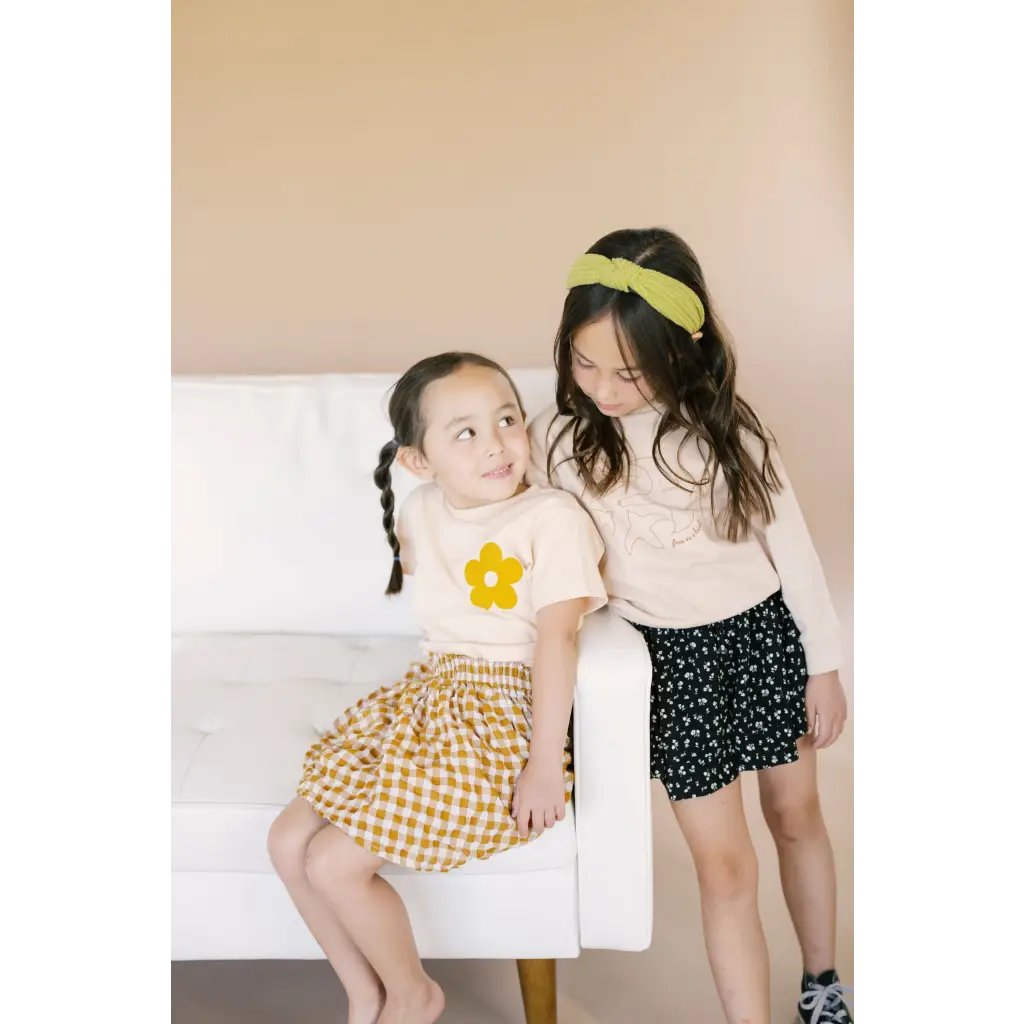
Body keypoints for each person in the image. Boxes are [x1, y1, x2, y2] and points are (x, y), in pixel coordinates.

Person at [529, 228, 854, 1024]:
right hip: (671, 668)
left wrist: (824, 664)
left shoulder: (729, 436)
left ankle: (822, 980)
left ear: (679, 350)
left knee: (795, 817)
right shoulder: (559, 441)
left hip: (761, 641)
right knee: (725, 866)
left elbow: (796, 553)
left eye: (629, 371)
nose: (603, 387)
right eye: (584, 362)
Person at [267, 351, 607, 1024]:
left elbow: (559, 640)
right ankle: (365, 992)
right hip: (432, 696)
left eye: (507, 419)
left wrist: (545, 762)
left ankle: (414, 993)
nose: (497, 444)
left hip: (499, 717)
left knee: (335, 863)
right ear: (419, 463)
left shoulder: (552, 519)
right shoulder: (421, 510)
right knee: (285, 842)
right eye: (466, 433)